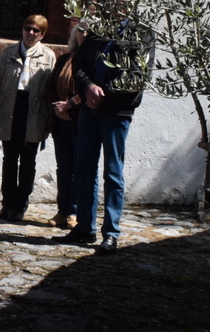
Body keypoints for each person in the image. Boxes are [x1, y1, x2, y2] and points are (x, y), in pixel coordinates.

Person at [60, 18, 150, 255]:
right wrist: (88, 87)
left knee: (113, 172)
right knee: (83, 168)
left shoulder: (140, 34)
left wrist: (104, 95)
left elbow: (137, 77)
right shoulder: (99, 31)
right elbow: (79, 63)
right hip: (89, 112)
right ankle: (84, 226)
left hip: (116, 113)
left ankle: (111, 233)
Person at [0, 15, 56, 221]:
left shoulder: (48, 56)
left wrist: (49, 118)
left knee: (28, 160)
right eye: (28, 28)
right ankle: (7, 203)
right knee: (9, 159)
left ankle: (20, 204)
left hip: (34, 111)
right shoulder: (8, 53)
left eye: (36, 31)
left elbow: (52, 89)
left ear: (42, 34)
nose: (31, 33)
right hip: (11, 108)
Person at [42, 19, 86, 230]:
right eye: (81, 31)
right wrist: (59, 107)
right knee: (64, 167)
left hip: (81, 122)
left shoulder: (93, 62)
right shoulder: (64, 59)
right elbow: (49, 87)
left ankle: (74, 212)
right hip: (61, 122)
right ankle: (62, 210)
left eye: (88, 33)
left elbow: (89, 91)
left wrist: (70, 107)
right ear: (75, 35)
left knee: (79, 168)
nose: (84, 35)